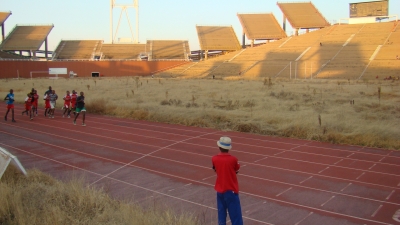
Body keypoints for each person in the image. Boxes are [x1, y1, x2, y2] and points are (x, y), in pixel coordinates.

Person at [212, 137, 243, 225]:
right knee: (235, 215)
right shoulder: (233, 159)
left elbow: (215, 169)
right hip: (231, 190)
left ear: (219, 147)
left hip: (220, 189)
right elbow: (236, 169)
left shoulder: (214, 158)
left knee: (221, 215)